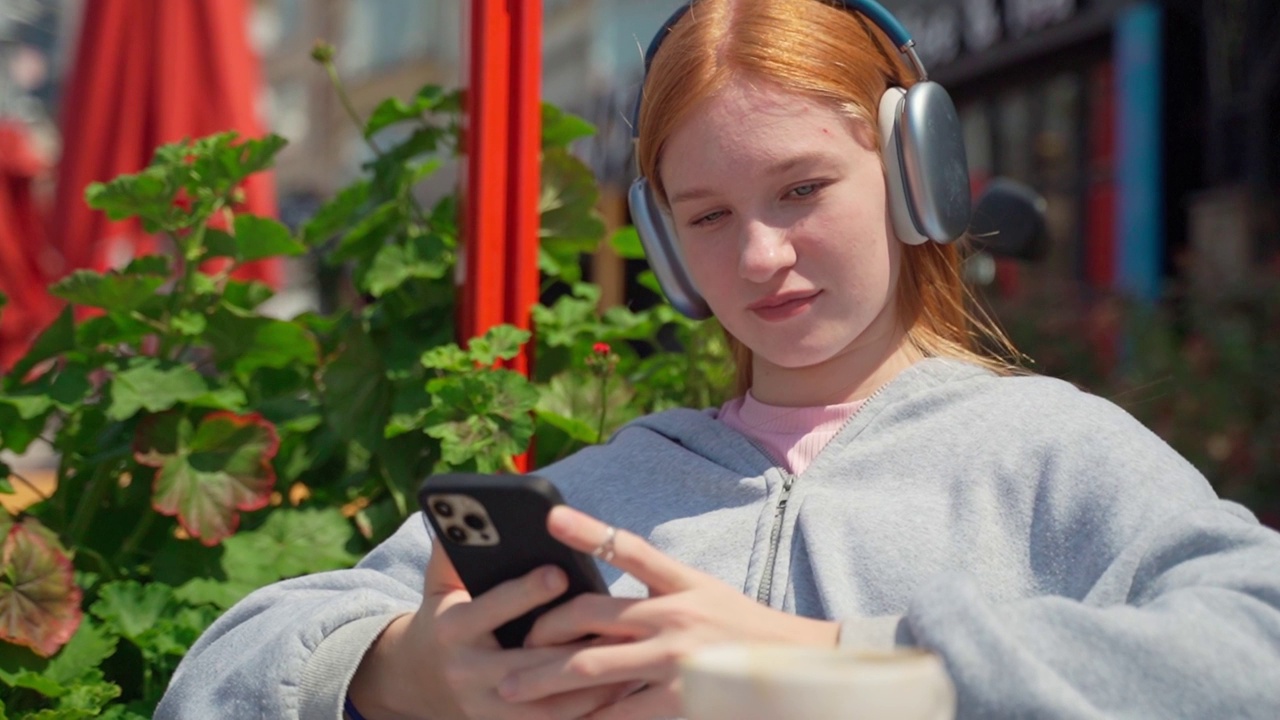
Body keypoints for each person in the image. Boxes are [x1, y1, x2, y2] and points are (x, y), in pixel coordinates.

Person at [157, 0, 1280, 718]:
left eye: (799, 189)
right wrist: (402, 673)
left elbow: (1250, 651)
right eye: (704, 214)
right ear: (659, 243)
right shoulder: (592, 497)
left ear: (914, 173)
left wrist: (839, 667)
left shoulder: (1050, 454)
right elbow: (216, 677)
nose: (755, 254)